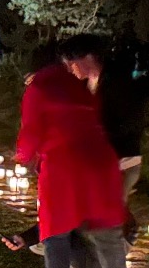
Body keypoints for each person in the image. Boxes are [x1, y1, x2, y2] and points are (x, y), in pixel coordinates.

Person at [14, 47, 134, 268]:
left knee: (56, 232)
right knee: (98, 231)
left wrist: (22, 155)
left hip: (65, 167)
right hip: (100, 164)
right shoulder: (78, 86)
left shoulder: (39, 88)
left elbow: (31, 130)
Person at [60, 35, 143, 196]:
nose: (70, 69)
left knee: (107, 207)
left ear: (87, 58)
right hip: (96, 160)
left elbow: (130, 122)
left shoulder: (118, 83)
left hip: (122, 160)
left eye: (71, 63)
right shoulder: (84, 86)